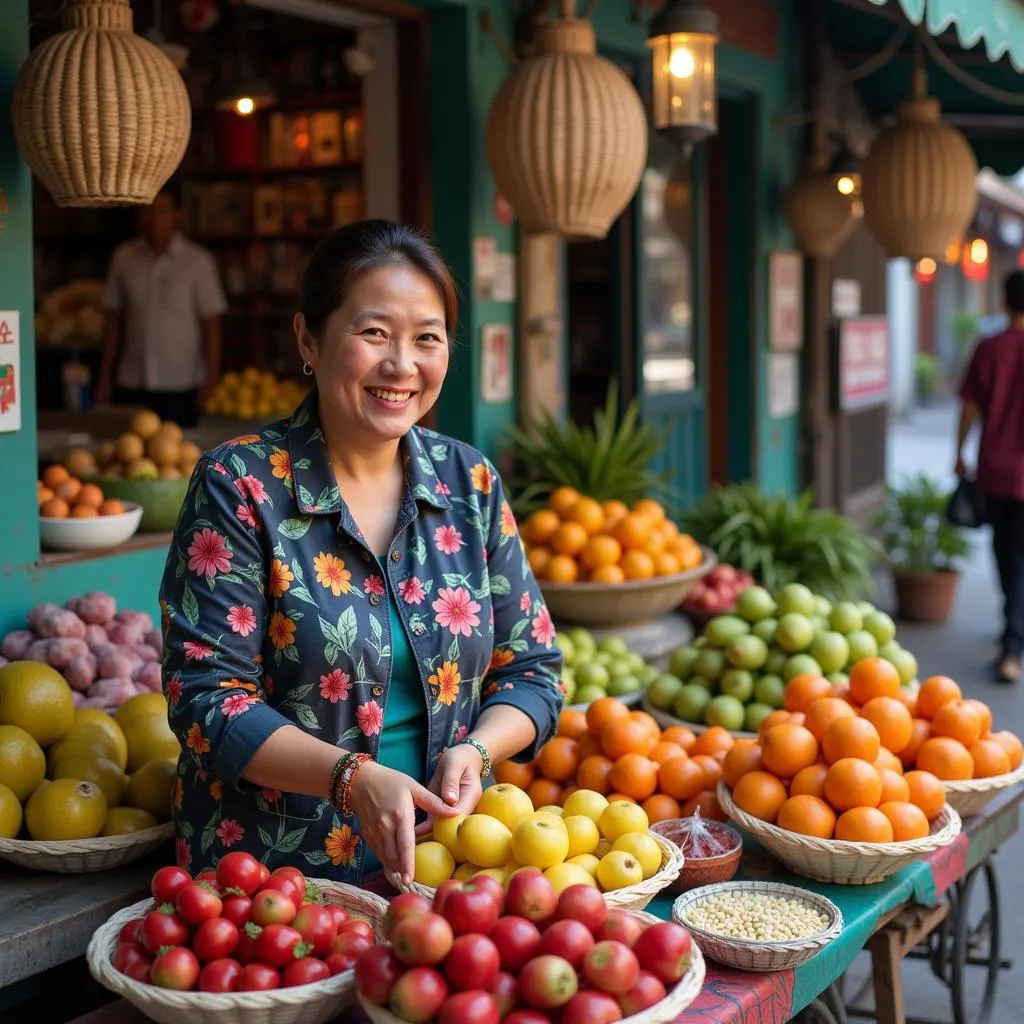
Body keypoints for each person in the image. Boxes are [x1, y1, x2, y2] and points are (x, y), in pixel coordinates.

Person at [159, 219, 563, 883]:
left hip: (447, 873)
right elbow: (206, 698)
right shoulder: (241, 486)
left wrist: (478, 751)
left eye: (426, 339)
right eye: (374, 332)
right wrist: (351, 778)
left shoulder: (469, 483)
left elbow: (534, 668)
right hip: (278, 888)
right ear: (308, 340)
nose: (402, 364)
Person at [97, 182, 228, 427]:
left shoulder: (198, 262)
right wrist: (104, 376)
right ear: (138, 215)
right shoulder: (123, 258)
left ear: (178, 215)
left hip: (181, 385)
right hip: (131, 382)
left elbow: (212, 325)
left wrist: (211, 381)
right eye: (147, 211)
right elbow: (113, 321)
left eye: (163, 211)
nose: (154, 219)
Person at [956, 269, 1024, 684]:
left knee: (1008, 554)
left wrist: (958, 452)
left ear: (1004, 301)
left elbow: (968, 409)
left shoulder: (990, 348)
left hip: (997, 473)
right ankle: (1013, 635)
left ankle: (1012, 643)